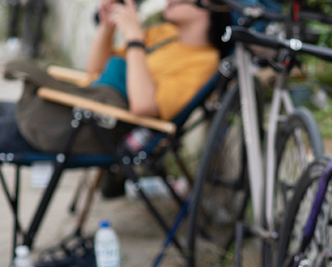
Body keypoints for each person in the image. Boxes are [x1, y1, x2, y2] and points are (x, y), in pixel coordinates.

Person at [0, 0, 231, 153]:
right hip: (86, 106)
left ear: (208, 5)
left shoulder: (203, 62)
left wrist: (134, 38)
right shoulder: (165, 33)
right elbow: (95, 72)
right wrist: (107, 27)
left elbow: (143, 107)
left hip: (99, 126)